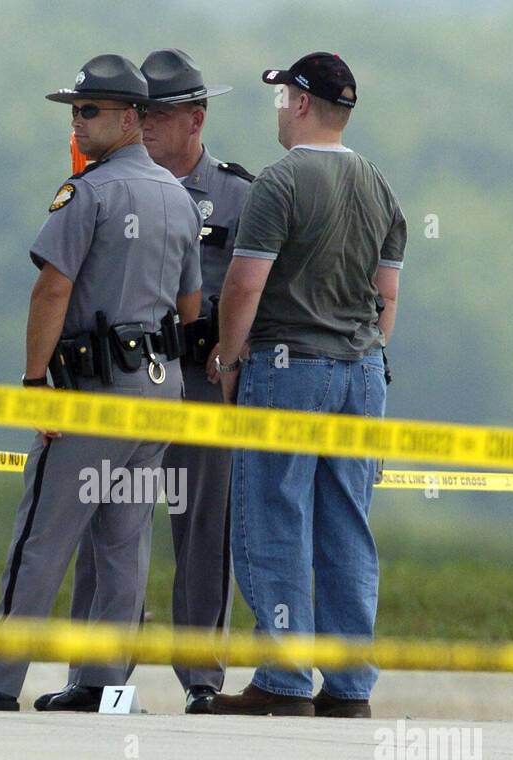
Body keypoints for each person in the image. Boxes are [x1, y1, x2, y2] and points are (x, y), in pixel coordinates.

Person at [0, 54, 202, 713]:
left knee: (45, 534)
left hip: (93, 390)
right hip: (159, 392)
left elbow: (53, 287)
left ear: (130, 118)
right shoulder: (177, 197)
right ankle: (105, 686)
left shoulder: (90, 192)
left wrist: (35, 379)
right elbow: (191, 308)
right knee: (126, 542)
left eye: (90, 110)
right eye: (75, 110)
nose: (78, 120)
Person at [206, 52, 406, 718]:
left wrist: (228, 358)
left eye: (280, 98)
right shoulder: (380, 185)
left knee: (274, 516)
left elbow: (244, 284)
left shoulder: (281, 182)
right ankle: (350, 688)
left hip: (288, 365)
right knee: (348, 526)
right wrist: (366, 358)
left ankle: (285, 679)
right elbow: (387, 298)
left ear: (297, 102)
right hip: (361, 370)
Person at [58, 48, 254, 716]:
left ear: (195, 120)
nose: (144, 126)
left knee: (203, 531)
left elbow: (257, 290)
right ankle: (104, 672)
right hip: (125, 379)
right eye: (140, 114)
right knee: (112, 526)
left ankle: (202, 678)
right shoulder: (106, 182)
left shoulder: (237, 195)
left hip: (200, 381)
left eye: (159, 117)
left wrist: (235, 356)